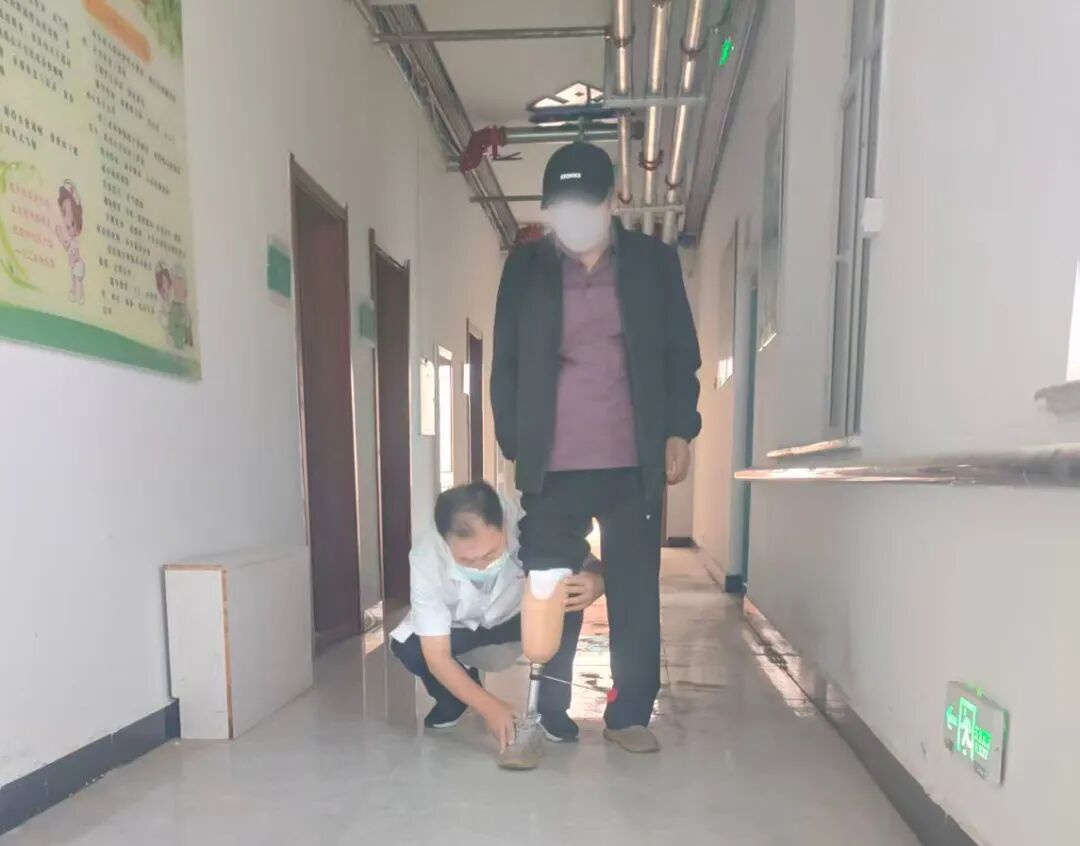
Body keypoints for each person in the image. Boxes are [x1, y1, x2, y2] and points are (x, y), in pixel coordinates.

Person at [491, 141, 702, 754]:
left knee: (633, 586)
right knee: (551, 585)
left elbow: (679, 353)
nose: (575, 219)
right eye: (562, 208)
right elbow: (506, 359)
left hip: (632, 457)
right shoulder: (525, 267)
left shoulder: (653, 264)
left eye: (587, 205)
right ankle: (550, 711)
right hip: (552, 459)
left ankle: (628, 714)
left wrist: (679, 428)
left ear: (613, 202)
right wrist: (513, 439)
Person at [389, 481, 604, 756]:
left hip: (519, 619)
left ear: (503, 524)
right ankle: (453, 699)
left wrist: (598, 581)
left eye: (491, 554)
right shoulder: (427, 556)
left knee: (567, 597)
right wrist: (489, 707)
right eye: (467, 561)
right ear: (444, 541)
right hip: (462, 628)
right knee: (408, 645)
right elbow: (437, 655)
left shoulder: (530, 521)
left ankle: (552, 710)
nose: (482, 566)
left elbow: (584, 560)